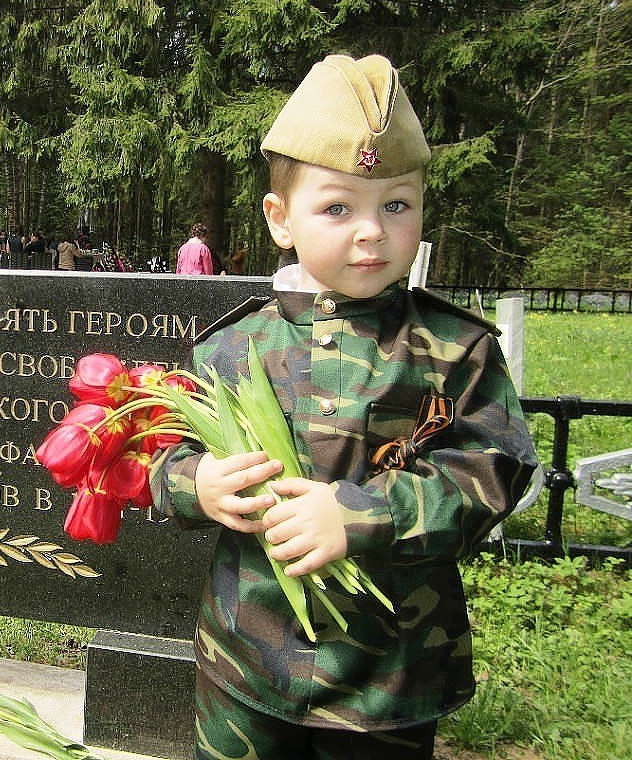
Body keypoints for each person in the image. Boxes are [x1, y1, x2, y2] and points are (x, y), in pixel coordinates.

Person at [149, 54, 539, 760]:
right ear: (280, 218)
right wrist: (195, 483)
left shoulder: (453, 349)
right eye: (338, 207)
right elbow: (165, 455)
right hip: (245, 664)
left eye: (397, 204)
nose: (372, 230)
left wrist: (361, 513)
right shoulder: (232, 346)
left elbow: (495, 468)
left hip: (386, 680)